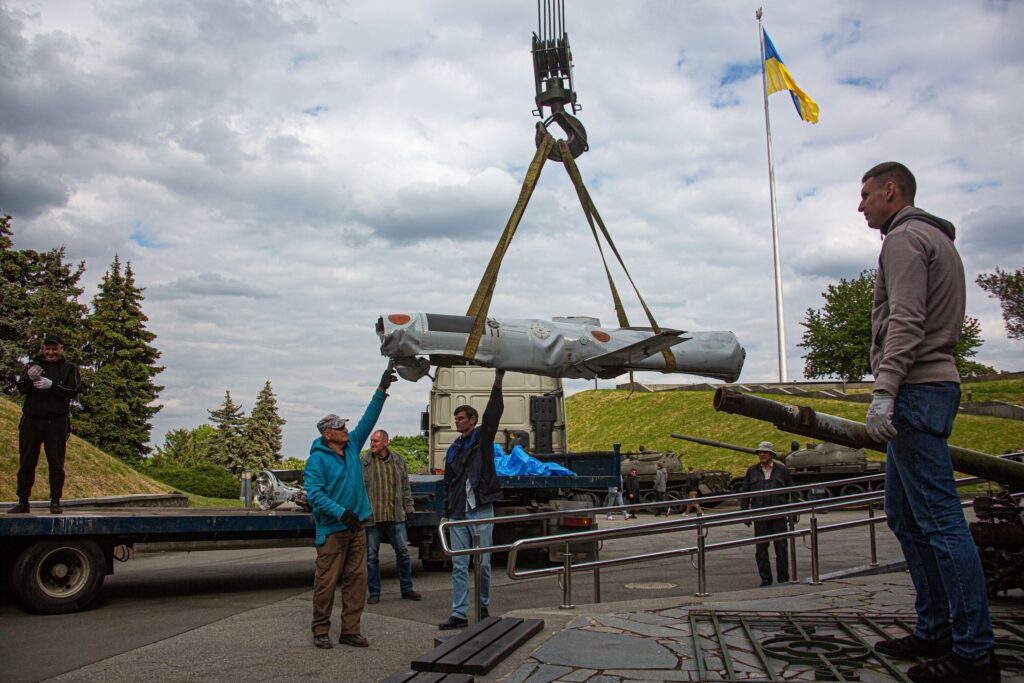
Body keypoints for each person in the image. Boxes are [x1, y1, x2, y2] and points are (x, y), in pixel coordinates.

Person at [859, 162, 998, 681]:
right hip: (930, 385)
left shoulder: (904, 239)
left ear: (891, 190)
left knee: (940, 520)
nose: (861, 205)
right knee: (904, 514)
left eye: (867, 194)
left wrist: (885, 388)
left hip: (916, 387)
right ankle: (936, 626)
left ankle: (973, 652)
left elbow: (906, 319)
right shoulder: (937, 239)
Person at [304, 365, 396, 650]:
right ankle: (321, 630)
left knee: (357, 581)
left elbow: (370, 418)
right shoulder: (316, 460)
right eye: (340, 428)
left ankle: (350, 631)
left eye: (345, 426)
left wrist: (382, 388)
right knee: (326, 582)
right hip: (333, 530)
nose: (347, 430)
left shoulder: (353, 445)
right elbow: (315, 495)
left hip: (357, 527)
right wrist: (341, 512)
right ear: (328, 434)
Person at [438, 369, 505, 630]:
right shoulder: (454, 448)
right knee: (459, 564)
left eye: (461, 418)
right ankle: (459, 614)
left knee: (483, 563)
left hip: (480, 509)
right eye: (455, 418)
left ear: (472, 420)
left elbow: (493, 414)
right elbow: (448, 483)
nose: (457, 422)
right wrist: (445, 514)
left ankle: (483, 607)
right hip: (458, 513)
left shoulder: (482, 438)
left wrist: (497, 382)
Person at [8, 334, 80, 515]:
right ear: (43, 349)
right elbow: (21, 389)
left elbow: (73, 391)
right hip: (32, 420)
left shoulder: (69, 368)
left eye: (54, 349)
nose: (50, 352)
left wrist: (53, 386)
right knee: (26, 462)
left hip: (56, 421)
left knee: (56, 463)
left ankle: (55, 501)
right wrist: (29, 378)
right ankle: (23, 501)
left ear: (61, 349)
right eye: (48, 349)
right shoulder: (32, 366)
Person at [360, 429, 421, 604]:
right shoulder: (364, 462)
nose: (372, 444)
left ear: (385, 442)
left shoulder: (398, 461)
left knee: (403, 553)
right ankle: (374, 592)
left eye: (375, 441)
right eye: (371, 441)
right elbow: (358, 490)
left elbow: (405, 487)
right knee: (371, 557)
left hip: (395, 516)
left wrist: (409, 509)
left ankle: (407, 589)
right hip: (373, 517)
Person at [740, 441, 793, 587]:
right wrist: (745, 511)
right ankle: (765, 579)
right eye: (759, 452)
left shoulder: (782, 470)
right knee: (761, 549)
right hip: (760, 514)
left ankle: (783, 578)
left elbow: (791, 489)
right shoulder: (752, 471)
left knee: (781, 548)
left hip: (778, 514)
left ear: (771, 454)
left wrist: (793, 511)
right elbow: (745, 491)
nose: (761, 454)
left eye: (764, 452)